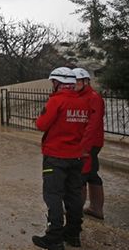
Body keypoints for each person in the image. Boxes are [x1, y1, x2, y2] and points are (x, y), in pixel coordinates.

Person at [32, 67, 89, 250]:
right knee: (73, 195)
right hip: (76, 157)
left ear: (57, 83)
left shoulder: (56, 101)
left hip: (55, 156)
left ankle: (54, 237)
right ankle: (73, 234)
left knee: (53, 195)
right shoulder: (83, 103)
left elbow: (42, 124)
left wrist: (38, 119)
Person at [73, 67, 105, 220]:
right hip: (87, 141)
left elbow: (93, 124)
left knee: (82, 174)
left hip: (90, 143)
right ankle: (95, 208)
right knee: (91, 173)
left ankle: (77, 209)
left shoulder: (93, 97)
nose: (75, 84)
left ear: (86, 81)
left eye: (78, 81)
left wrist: (84, 146)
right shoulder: (81, 96)